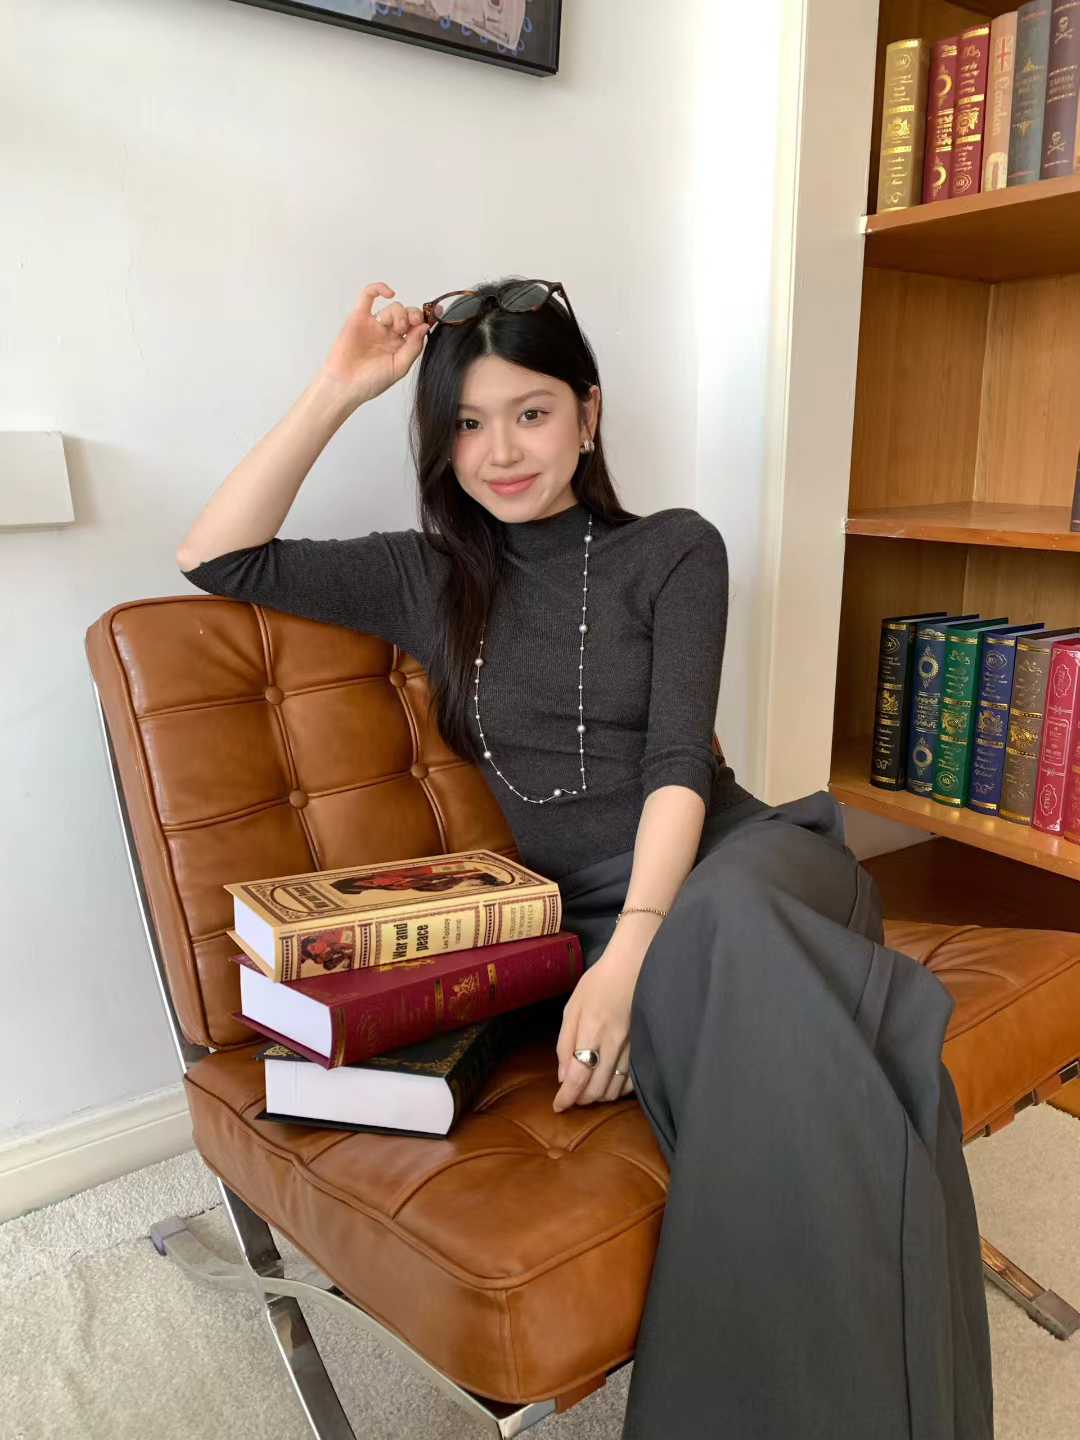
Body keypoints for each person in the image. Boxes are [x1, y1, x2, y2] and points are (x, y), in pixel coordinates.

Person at [177, 277, 994, 1438]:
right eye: (469, 423)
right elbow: (217, 556)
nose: (502, 450)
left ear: (589, 413)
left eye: (532, 412)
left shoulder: (676, 550)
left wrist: (626, 969)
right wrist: (341, 386)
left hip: (744, 868)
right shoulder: (430, 579)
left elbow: (678, 765)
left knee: (731, 929)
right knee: (790, 1070)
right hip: (596, 924)